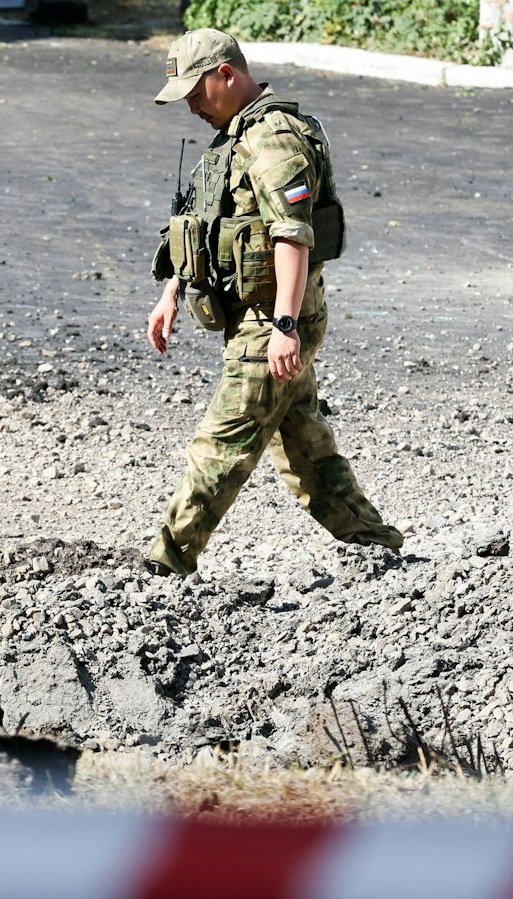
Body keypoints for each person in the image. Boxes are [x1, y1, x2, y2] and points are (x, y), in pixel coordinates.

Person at [143, 28, 403, 577]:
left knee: (223, 440)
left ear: (227, 75)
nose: (191, 106)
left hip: (274, 319)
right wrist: (170, 294)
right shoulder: (230, 133)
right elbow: (204, 225)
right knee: (305, 449)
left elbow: (292, 235)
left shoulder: (273, 139)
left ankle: (165, 562)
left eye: (196, 93)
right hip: (258, 314)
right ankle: (376, 545)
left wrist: (285, 324)